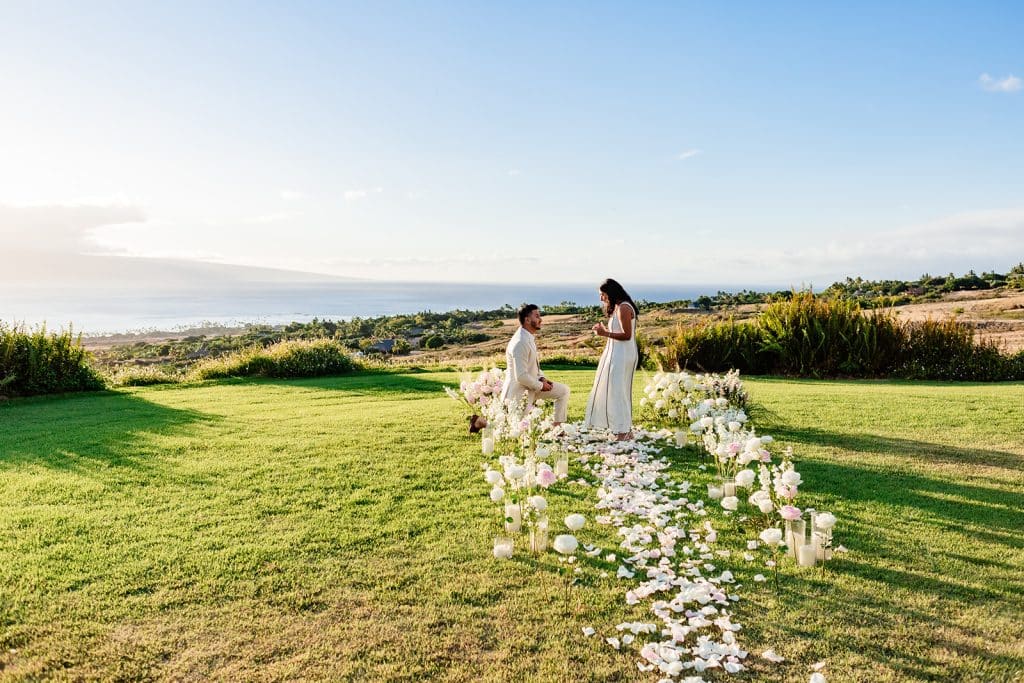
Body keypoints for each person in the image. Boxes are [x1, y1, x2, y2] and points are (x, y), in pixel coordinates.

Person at [584, 278, 639, 440]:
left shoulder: (623, 308)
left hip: (622, 355)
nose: (601, 298)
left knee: (618, 391)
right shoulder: (618, 307)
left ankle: (623, 431)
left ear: (611, 293)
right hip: (618, 353)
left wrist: (604, 333)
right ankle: (624, 429)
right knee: (616, 391)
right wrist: (605, 330)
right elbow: (619, 331)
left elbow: (627, 335)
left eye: (603, 294)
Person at [498, 303, 570, 424]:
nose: (540, 319)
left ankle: (558, 428)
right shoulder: (520, 342)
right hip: (519, 393)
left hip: (533, 386)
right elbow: (521, 376)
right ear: (527, 320)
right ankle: (479, 422)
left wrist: (542, 378)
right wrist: (541, 386)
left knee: (563, 391)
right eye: (537, 316)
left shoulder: (527, 337)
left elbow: (533, 366)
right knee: (513, 428)